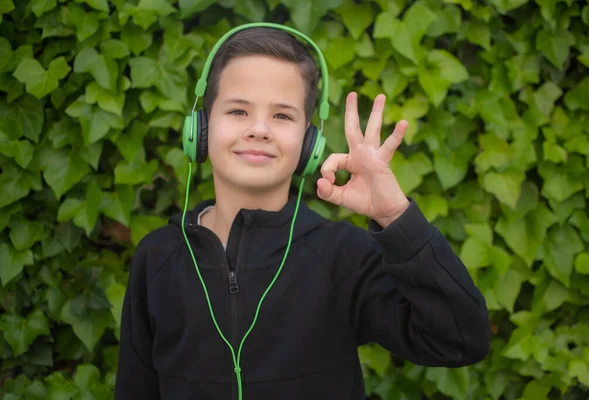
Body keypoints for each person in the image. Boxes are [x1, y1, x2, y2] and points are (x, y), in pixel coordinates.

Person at [114, 24, 490, 400]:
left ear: (310, 142)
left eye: (282, 116)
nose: (259, 129)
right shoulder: (158, 257)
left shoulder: (342, 255)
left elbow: (460, 339)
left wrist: (395, 216)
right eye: (238, 110)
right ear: (201, 126)